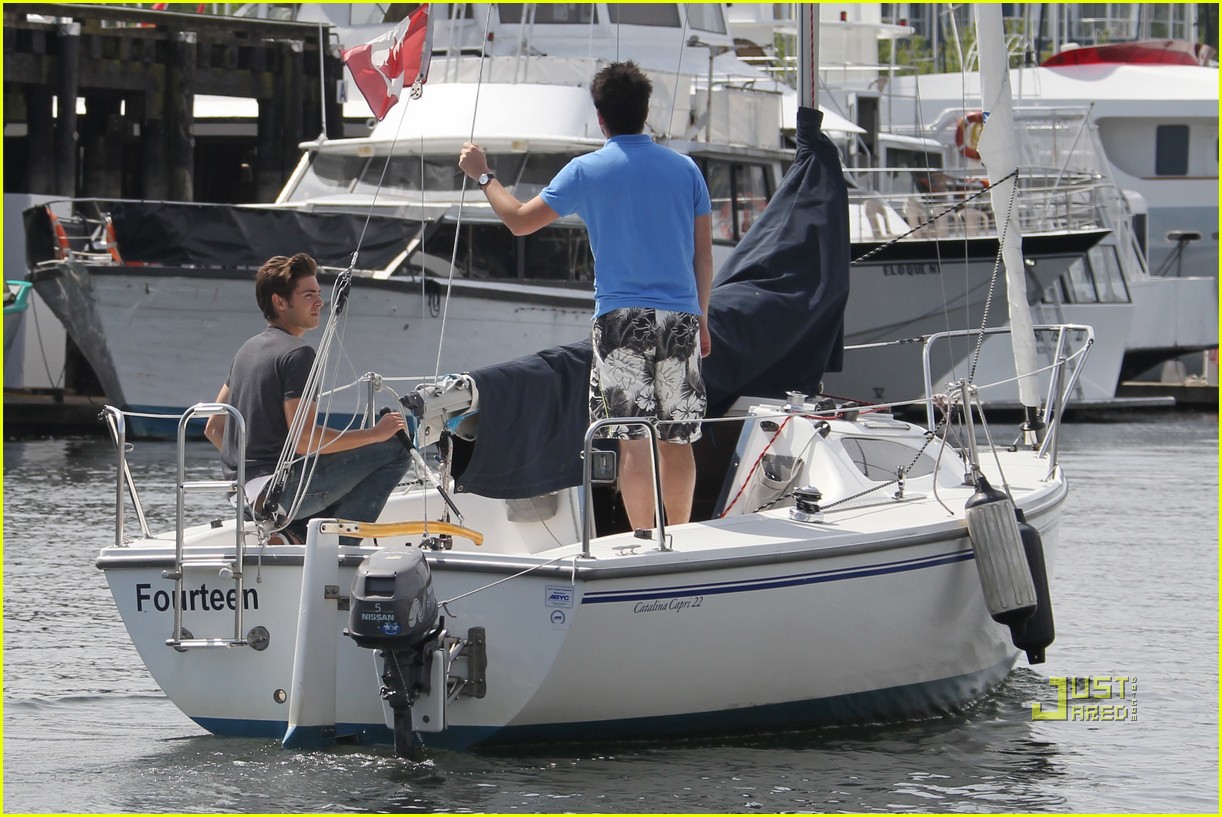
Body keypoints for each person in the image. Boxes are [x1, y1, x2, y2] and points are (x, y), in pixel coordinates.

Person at [458, 61, 713, 530]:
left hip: (620, 320)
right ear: (646, 111)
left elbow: (519, 221)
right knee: (677, 440)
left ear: (600, 117)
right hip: (680, 318)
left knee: (633, 440)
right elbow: (703, 254)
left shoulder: (586, 170)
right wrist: (703, 316)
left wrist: (483, 175)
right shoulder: (686, 170)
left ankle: (643, 542)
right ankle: (679, 540)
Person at [203, 253, 409, 544]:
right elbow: (305, 440)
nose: (320, 302)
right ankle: (330, 547)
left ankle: (292, 535)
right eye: (309, 295)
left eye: (319, 294)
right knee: (397, 449)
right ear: (280, 302)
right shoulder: (298, 354)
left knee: (343, 463)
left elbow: (213, 428)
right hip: (277, 496)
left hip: (243, 499)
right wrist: (376, 434)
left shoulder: (246, 351)